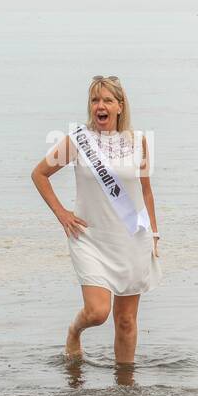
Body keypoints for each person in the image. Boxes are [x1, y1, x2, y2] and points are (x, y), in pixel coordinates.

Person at [30, 76, 161, 364]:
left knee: (126, 321)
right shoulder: (78, 141)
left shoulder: (138, 142)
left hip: (131, 237)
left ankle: (125, 387)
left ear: (119, 106)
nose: (99, 106)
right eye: (94, 100)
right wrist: (62, 214)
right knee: (97, 313)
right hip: (90, 238)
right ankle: (74, 332)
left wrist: (154, 234)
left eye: (107, 100)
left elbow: (146, 191)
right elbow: (39, 175)